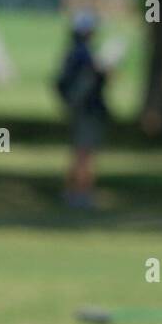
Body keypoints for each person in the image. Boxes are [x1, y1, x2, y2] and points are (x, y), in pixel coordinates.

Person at [55, 11, 109, 209]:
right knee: (85, 155)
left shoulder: (72, 52)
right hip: (88, 110)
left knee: (78, 152)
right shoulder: (83, 54)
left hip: (78, 110)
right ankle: (81, 195)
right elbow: (95, 80)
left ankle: (71, 192)